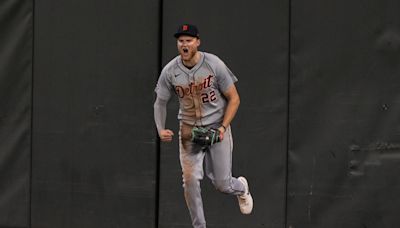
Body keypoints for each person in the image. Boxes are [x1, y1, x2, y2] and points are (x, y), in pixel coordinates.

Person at [154, 24, 253, 228]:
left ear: (197, 42)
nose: (184, 44)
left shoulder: (214, 64)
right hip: (189, 130)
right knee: (189, 180)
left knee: (222, 184)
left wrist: (223, 127)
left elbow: (234, 99)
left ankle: (241, 188)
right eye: (181, 40)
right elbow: (160, 102)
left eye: (189, 40)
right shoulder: (170, 71)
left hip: (216, 126)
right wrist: (160, 127)